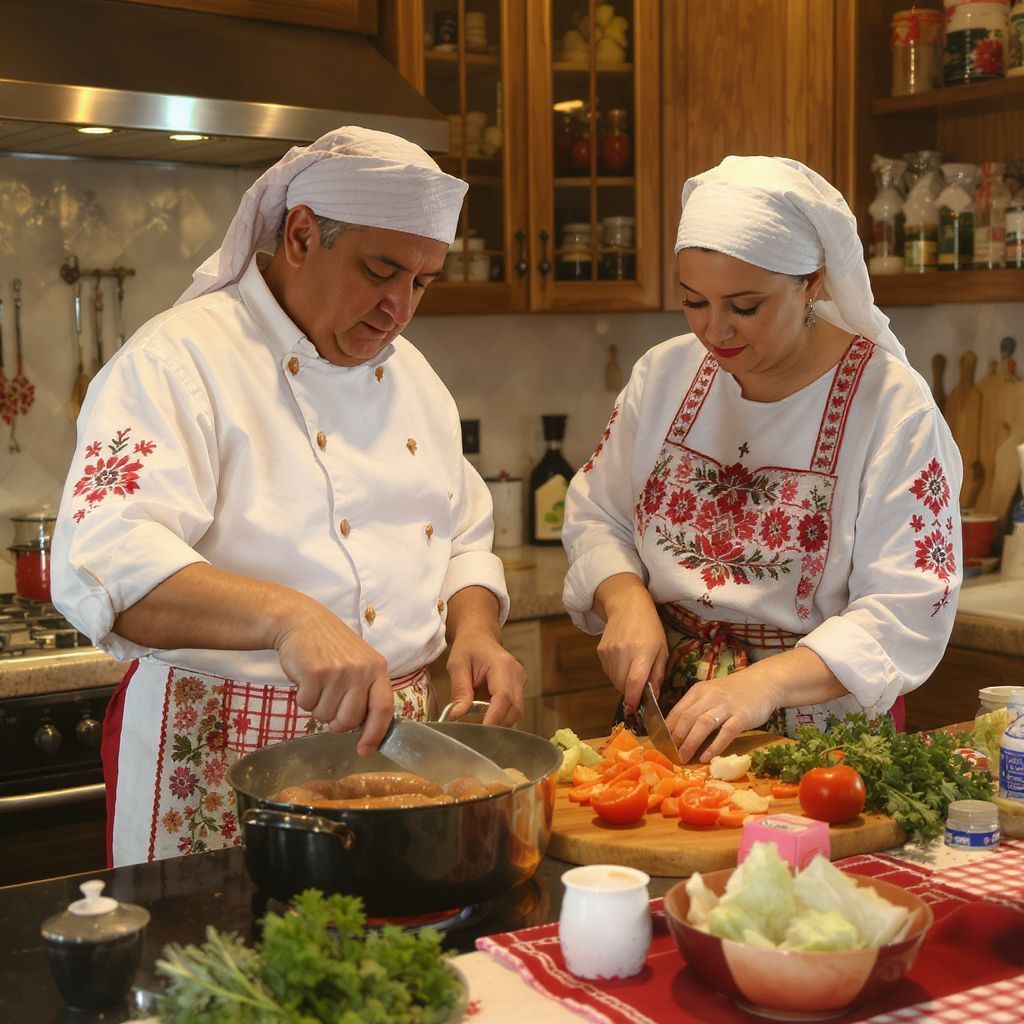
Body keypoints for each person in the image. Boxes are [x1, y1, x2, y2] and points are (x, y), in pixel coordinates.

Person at [51, 126, 525, 866]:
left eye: (422, 283)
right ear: (301, 235)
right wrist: (289, 619)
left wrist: (475, 632)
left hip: (393, 758)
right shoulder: (176, 363)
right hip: (215, 757)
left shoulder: (416, 381)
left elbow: (463, 536)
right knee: (223, 972)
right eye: (380, 271)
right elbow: (101, 561)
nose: (399, 308)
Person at [562, 156, 962, 764]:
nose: (715, 330)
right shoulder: (664, 375)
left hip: (822, 745)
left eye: (745, 306)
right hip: (668, 716)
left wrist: (764, 684)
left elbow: (907, 606)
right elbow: (598, 514)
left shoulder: (891, 406)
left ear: (814, 282)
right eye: (694, 302)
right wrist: (626, 601)